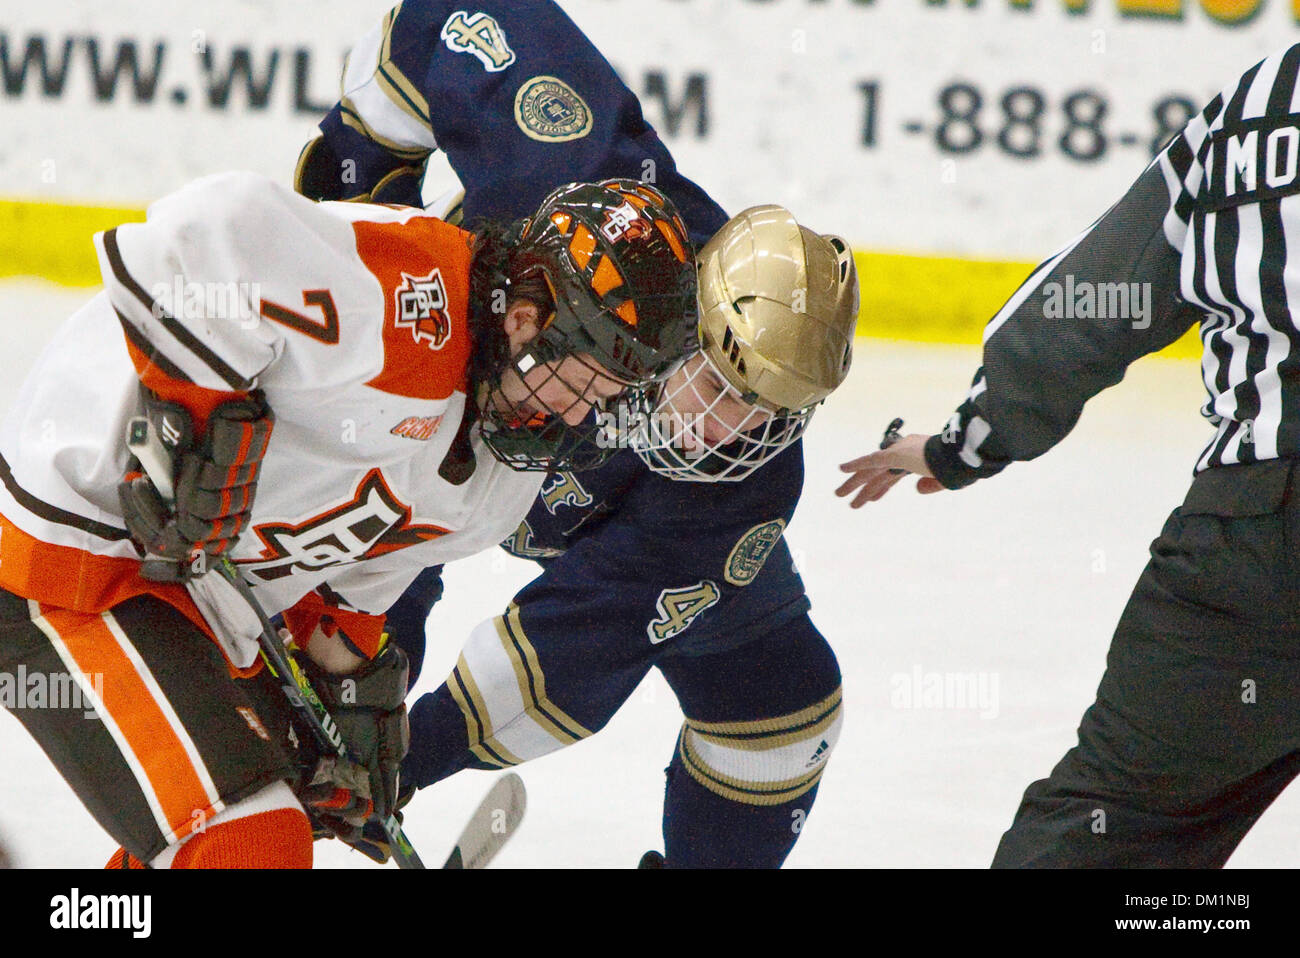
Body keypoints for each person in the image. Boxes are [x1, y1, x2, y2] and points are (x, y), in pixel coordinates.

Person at [297, 0, 860, 868]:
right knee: (364, 592)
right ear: (683, 318)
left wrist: (404, 757)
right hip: (455, 364)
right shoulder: (582, 196)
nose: (722, 431)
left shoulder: (744, 483)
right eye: (714, 383)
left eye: (765, 413)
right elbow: (452, 18)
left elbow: (570, 652)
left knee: (778, 706)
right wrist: (361, 183)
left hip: (609, 515)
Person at [0, 169, 695, 868]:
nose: (578, 415)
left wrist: (352, 693)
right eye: (578, 384)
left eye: (603, 396)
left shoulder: (500, 477)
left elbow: (348, 589)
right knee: (246, 838)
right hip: (70, 535)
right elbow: (198, 235)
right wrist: (191, 418)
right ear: (525, 322)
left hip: (185, 597)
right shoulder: (411, 303)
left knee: (255, 812)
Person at [836, 44, 1300, 866]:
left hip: (1257, 541)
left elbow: (1089, 300)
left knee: (1110, 827)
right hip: (1255, 541)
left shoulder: (1261, 101)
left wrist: (965, 444)